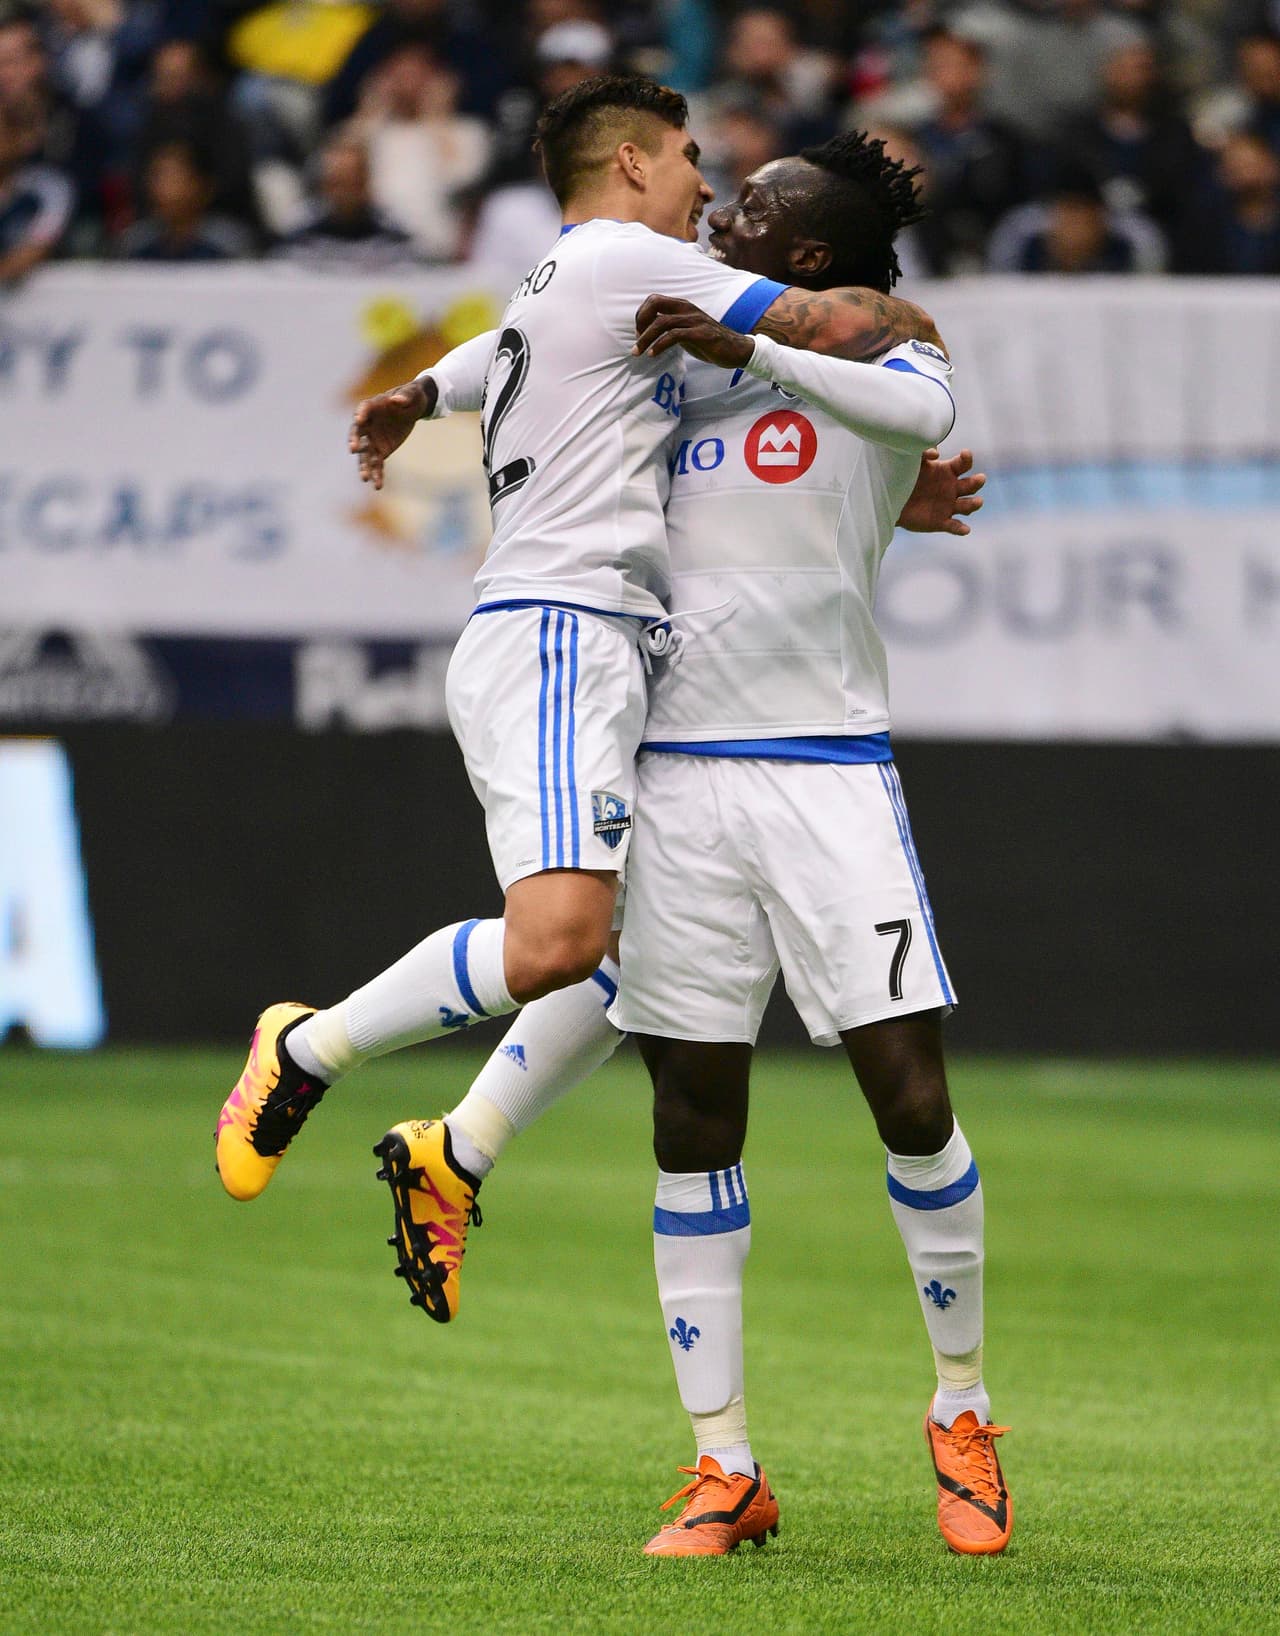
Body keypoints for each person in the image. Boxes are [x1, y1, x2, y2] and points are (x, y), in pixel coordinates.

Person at [387, 132, 1011, 1562]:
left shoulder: (866, 354)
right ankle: (723, 1465)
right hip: (670, 776)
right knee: (693, 1118)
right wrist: (426, 389)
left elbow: (918, 410)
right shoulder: (668, 355)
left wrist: (814, 395)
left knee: (910, 1099)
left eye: (763, 204)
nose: (724, 203)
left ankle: (964, 1412)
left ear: (806, 259)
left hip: (827, 771)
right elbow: (524, 341)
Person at [215, 77, 941, 1228]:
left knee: (617, 945)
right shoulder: (624, 263)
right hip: (565, 629)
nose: (707, 188)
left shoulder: (567, 279)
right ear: (634, 166)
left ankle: (457, 1150)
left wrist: (419, 391)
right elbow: (841, 327)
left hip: (608, 646)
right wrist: (912, 329)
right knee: (560, 939)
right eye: (695, 160)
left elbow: (509, 350)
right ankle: (310, 1046)